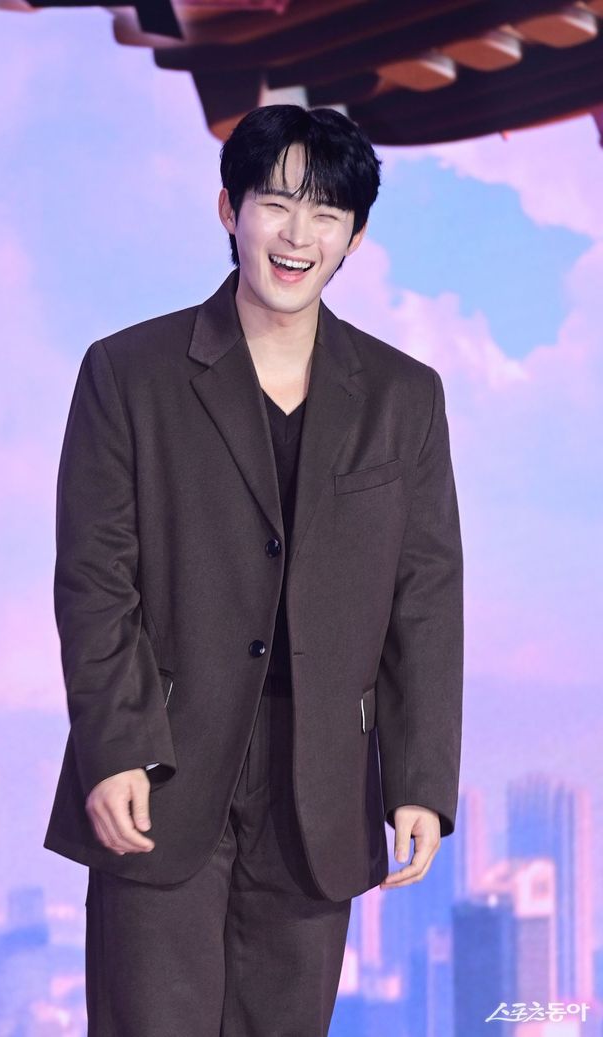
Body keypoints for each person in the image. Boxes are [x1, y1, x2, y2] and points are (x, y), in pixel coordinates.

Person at [44, 103, 464, 1036]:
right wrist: (114, 749)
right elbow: (96, 578)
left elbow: (426, 599)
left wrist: (421, 779)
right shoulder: (128, 372)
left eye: (326, 213)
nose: (297, 235)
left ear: (355, 238)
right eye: (276, 203)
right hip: (162, 766)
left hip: (321, 783)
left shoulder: (404, 397)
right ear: (229, 209)